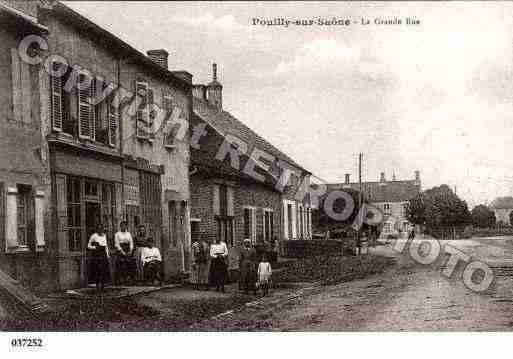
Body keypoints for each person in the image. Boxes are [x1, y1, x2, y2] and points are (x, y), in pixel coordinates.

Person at [87, 223, 110, 292]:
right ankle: (97, 286)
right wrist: (95, 247)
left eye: (101, 229)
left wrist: (108, 255)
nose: (100, 230)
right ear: (97, 229)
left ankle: (103, 286)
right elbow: (88, 246)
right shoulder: (94, 236)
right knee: (97, 270)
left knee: (103, 270)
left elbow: (106, 247)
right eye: (99, 229)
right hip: (96, 255)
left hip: (103, 255)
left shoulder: (105, 236)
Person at [114, 221, 134, 285]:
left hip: (127, 249)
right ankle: (121, 279)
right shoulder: (117, 234)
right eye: (122, 226)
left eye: (125, 225)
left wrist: (130, 250)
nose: (123, 227)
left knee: (130, 263)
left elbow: (131, 242)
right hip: (120, 250)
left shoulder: (128, 234)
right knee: (121, 263)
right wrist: (122, 252)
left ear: (126, 226)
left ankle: (128, 278)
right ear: (120, 226)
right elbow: (117, 244)